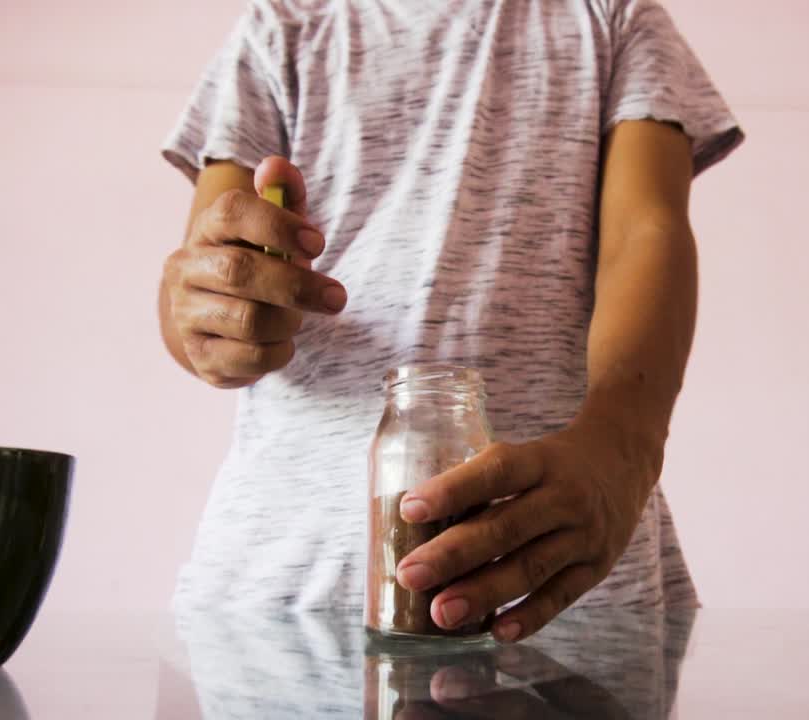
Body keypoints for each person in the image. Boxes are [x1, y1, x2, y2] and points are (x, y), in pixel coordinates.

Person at [158, 0, 742, 643]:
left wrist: (624, 451)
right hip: (280, 593)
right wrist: (215, 318)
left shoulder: (614, 17)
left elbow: (646, 231)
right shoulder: (281, 30)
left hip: (563, 576)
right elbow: (197, 278)